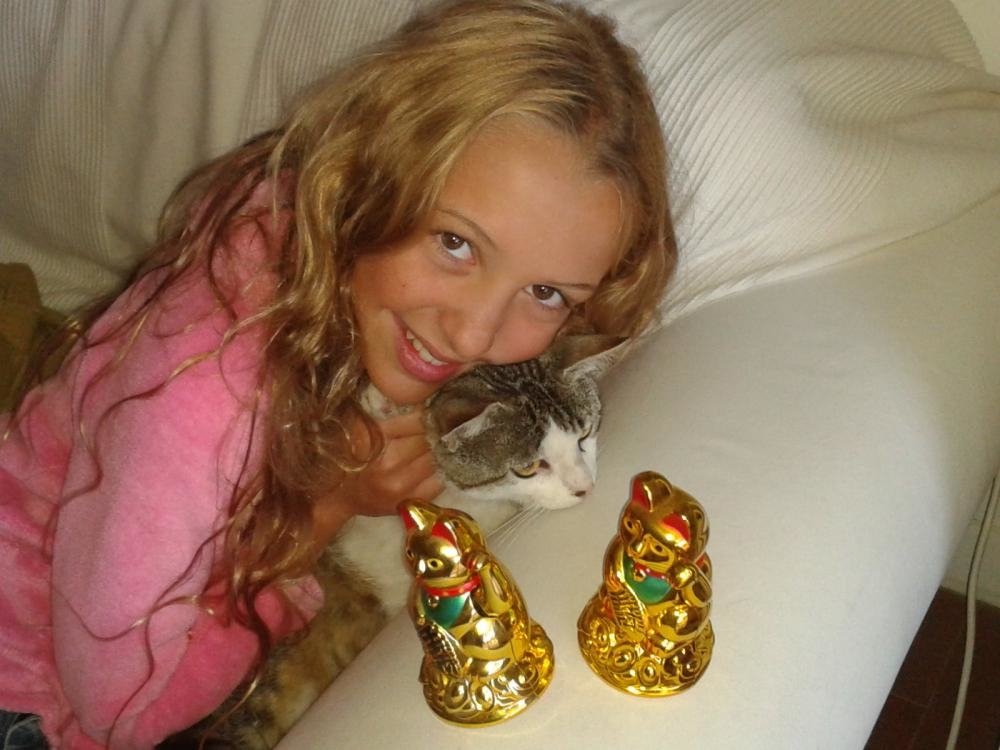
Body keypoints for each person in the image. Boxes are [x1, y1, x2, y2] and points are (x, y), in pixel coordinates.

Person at [0, 0, 676, 747]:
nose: (475, 333)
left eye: (545, 291)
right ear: (367, 175)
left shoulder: (327, 246)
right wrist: (326, 508)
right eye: (455, 243)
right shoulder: (199, 405)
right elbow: (122, 713)